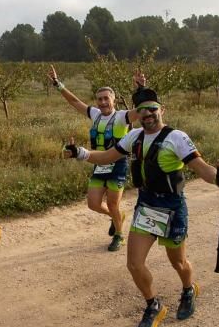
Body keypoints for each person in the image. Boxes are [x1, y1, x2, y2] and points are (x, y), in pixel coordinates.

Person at [64, 87, 219, 327]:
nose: (148, 114)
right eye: (142, 110)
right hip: (146, 206)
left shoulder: (177, 137)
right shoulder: (134, 136)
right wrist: (81, 153)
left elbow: (202, 168)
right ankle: (153, 305)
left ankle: (188, 289)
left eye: (152, 109)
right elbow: (108, 156)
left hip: (172, 207)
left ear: (161, 110)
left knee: (178, 261)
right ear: (138, 114)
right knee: (134, 263)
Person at [48, 65, 146, 251]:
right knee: (93, 204)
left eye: (106, 99)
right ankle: (117, 217)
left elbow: (142, 110)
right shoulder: (95, 114)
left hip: (118, 164)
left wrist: (141, 89)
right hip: (99, 163)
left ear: (113, 100)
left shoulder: (122, 117)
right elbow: (75, 102)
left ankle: (119, 235)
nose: (102, 102)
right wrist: (57, 84)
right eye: (99, 99)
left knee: (112, 203)